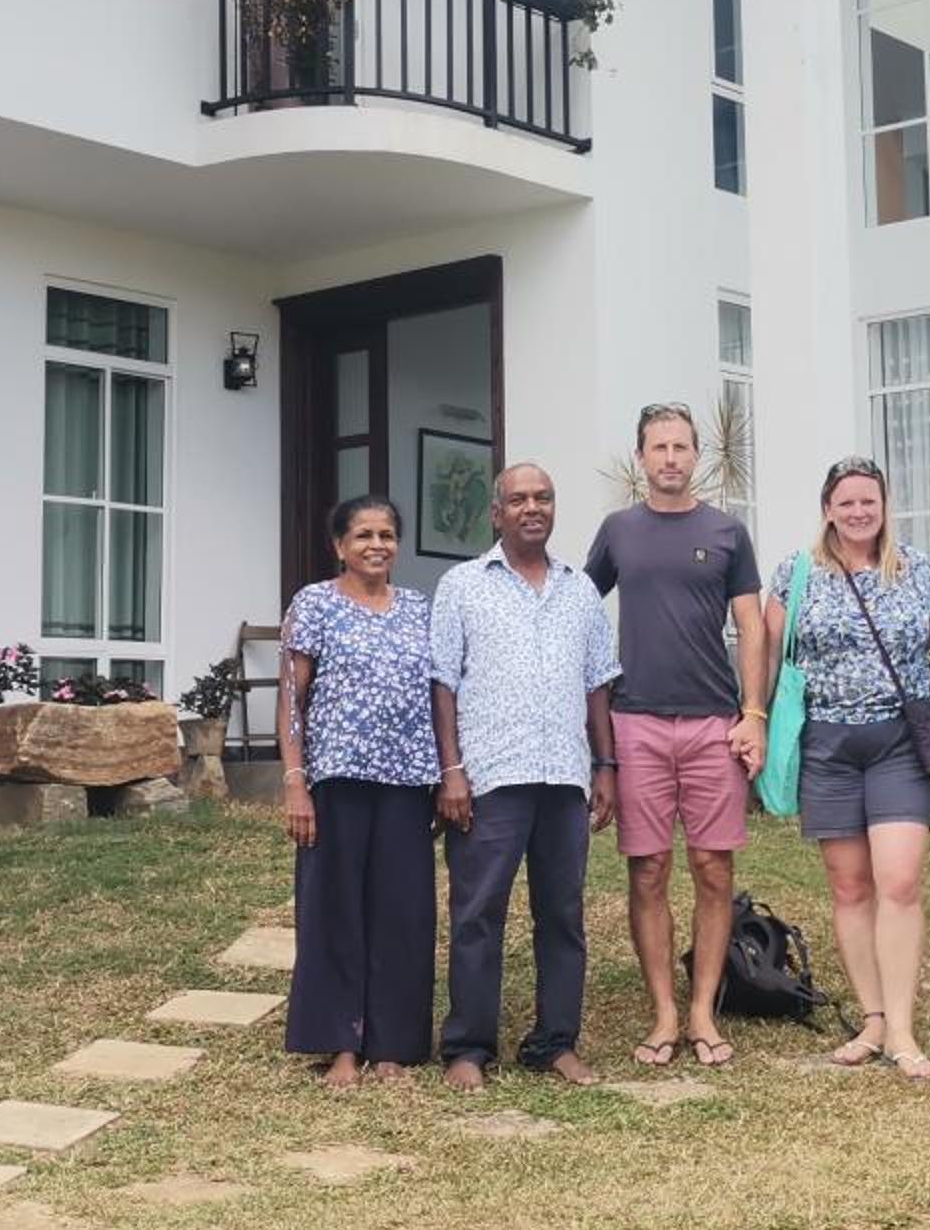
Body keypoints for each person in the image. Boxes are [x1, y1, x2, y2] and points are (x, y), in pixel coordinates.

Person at [585, 404, 765, 1070]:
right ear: (641, 457)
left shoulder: (726, 531)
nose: (669, 458)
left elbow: (752, 626)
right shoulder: (618, 531)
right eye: (658, 447)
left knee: (713, 868)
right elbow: (577, 610)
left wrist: (753, 712)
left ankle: (702, 1012)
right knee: (649, 869)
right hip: (636, 722)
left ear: (696, 456)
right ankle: (664, 1012)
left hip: (714, 722)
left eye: (681, 447)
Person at [430, 461, 620, 1090]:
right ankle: (467, 1048)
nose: (532, 508)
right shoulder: (462, 586)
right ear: (496, 513)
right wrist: (452, 771)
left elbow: (597, 686)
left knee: (562, 915)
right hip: (489, 777)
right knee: (478, 913)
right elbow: (442, 684)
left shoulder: (580, 591)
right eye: (518, 500)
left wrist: (606, 766)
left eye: (543, 497)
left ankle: (554, 1043)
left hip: (564, 777)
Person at [760, 456, 930, 1080]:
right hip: (827, 745)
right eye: (847, 502)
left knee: (900, 881)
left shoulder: (918, 570)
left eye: (869, 501)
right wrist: (754, 717)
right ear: (827, 509)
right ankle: (873, 1020)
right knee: (849, 887)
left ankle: (903, 1029)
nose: (859, 512)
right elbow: (770, 653)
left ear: (885, 506)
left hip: (897, 741)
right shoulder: (797, 573)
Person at [278, 495, 442, 1088]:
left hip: (407, 782)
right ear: (339, 546)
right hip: (336, 781)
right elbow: (292, 699)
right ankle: (341, 1044)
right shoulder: (315, 603)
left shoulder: (420, 609)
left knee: (403, 913)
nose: (377, 545)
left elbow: (438, 694)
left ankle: (393, 1044)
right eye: (364, 535)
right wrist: (295, 781)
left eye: (387, 535)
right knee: (334, 910)